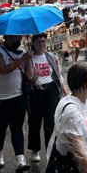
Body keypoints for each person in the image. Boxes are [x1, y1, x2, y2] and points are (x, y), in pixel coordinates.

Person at [0, 34, 33, 170]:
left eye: (19, 38)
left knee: (17, 128)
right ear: (7, 37)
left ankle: (20, 160)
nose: (17, 41)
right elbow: (3, 70)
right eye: (15, 38)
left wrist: (29, 60)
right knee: (1, 127)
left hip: (18, 96)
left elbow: (29, 75)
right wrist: (22, 59)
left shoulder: (23, 53)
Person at [27, 33, 67, 161]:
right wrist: (28, 59)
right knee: (35, 122)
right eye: (38, 42)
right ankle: (35, 150)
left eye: (43, 41)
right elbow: (29, 77)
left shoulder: (50, 56)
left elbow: (58, 75)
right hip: (36, 91)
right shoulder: (29, 57)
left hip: (51, 91)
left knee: (50, 122)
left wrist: (65, 92)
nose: (41, 44)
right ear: (33, 43)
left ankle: (50, 149)